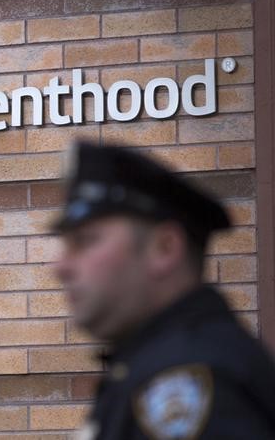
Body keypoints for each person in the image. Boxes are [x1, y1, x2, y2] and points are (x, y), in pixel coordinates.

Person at [52, 141, 275, 440]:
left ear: (165, 248)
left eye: (85, 241)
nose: (60, 266)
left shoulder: (188, 381)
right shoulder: (153, 363)